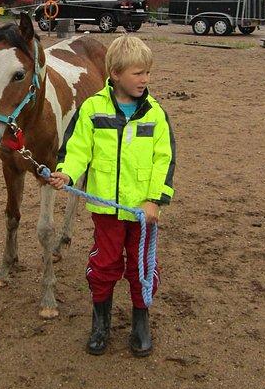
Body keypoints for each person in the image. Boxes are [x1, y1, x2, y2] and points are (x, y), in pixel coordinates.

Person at [48, 34, 175, 357]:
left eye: (147, 72)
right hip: (106, 212)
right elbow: (77, 149)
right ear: (115, 74)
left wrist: (154, 201)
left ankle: (140, 321)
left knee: (141, 268)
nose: (144, 79)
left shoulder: (155, 115)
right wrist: (67, 172)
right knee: (103, 266)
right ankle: (100, 322)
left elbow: (165, 160)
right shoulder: (92, 109)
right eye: (137, 73)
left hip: (142, 214)